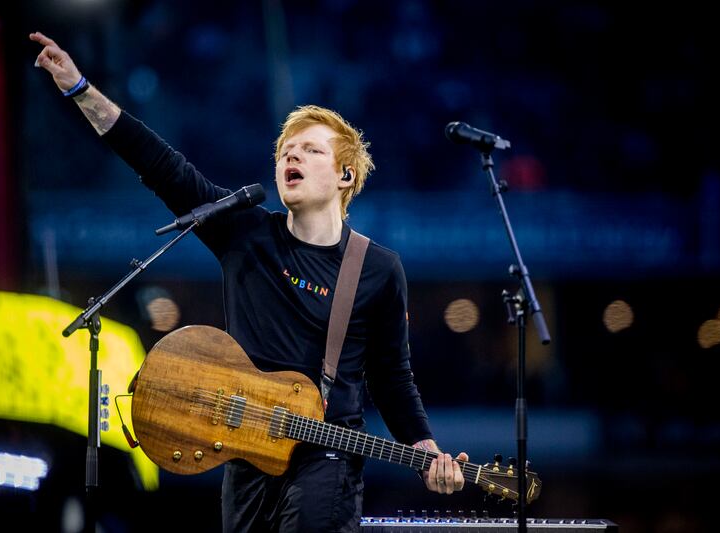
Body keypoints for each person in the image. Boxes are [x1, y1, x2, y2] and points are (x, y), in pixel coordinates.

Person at [30, 31, 468, 533]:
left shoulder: (377, 267)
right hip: (245, 455)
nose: (290, 159)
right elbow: (157, 163)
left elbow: (392, 376)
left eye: (309, 150)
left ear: (346, 176)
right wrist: (80, 89)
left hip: (326, 454)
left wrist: (425, 446)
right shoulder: (244, 232)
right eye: (285, 151)